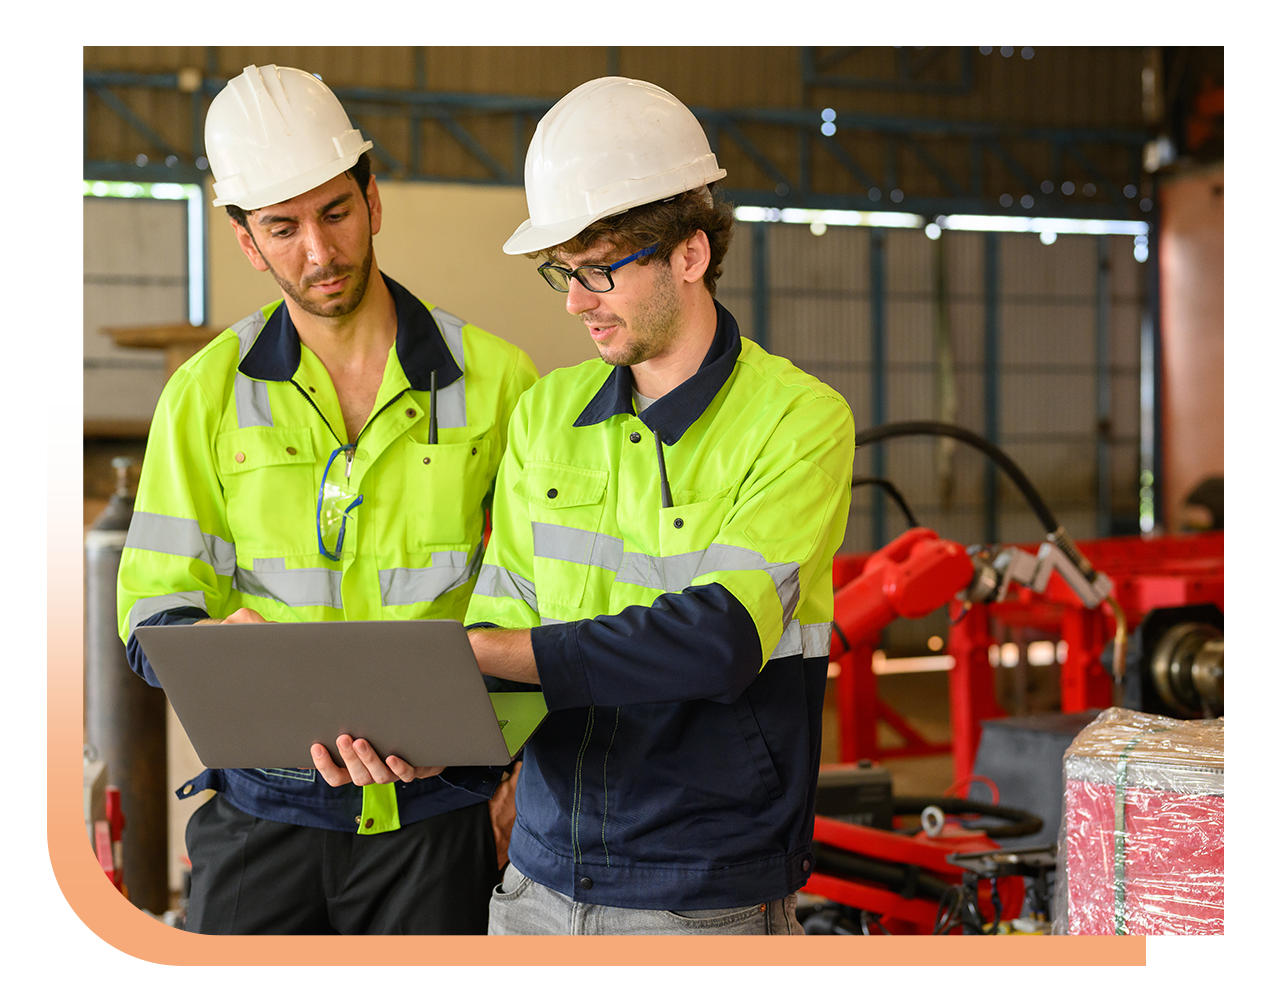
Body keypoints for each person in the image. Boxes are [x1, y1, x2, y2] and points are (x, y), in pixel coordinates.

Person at [115, 64, 539, 935]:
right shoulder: (206, 395)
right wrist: (201, 643)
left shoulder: (500, 384)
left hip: (437, 820)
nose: (320, 251)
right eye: (284, 227)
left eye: (336, 213)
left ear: (373, 198)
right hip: (262, 819)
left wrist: (518, 771)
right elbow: (150, 604)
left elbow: (543, 598)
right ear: (246, 240)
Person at [467, 76, 856, 934]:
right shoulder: (546, 412)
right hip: (537, 880)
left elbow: (719, 638)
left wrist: (496, 653)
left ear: (688, 253)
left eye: (599, 269)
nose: (575, 302)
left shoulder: (799, 421)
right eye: (562, 272)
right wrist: (424, 738)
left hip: (700, 894)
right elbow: (504, 617)